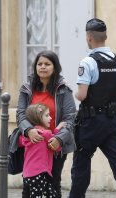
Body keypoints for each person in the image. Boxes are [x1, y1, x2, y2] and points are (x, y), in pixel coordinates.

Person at [68, 18, 116, 198]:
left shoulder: (88, 62)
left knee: (81, 165)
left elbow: (82, 95)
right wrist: (115, 90)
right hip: (111, 122)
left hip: (90, 124)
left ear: (89, 37)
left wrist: (74, 94)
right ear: (105, 36)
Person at [16, 50, 77, 198]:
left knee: (53, 183)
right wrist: (28, 130)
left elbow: (70, 118)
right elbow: (20, 114)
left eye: (47, 64)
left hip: (54, 145)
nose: (43, 67)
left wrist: (59, 139)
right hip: (33, 145)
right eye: (39, 64)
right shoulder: (27, 88)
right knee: (28, 185)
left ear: (54, 67)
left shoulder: (63, 89)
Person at [19, 103, 65, 197]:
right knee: (51, 195)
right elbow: (58, 147)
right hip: (39, 174)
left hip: (27, 174)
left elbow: (21, 141)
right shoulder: (45, 134)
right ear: (38, 118)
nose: (50, 118)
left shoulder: (28, 134)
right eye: (47, 115)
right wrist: (57, 129)